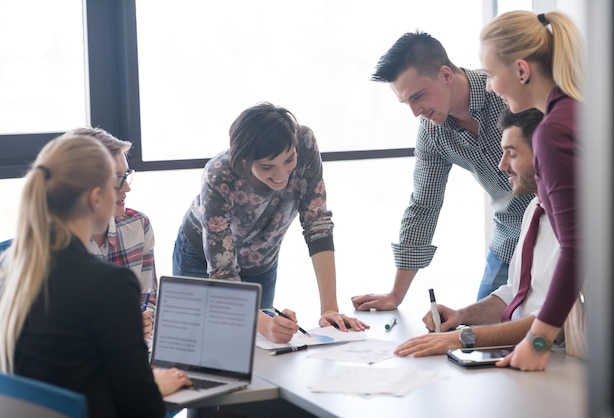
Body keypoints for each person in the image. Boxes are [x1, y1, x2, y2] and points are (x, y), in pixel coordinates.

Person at [0, 134, 192, 417]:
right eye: (116, 181)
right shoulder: (111, 286)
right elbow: (143, 410)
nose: (126, 187)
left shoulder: (11, 269)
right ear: (95, 197)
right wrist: (154, 387)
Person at [351, 30, 534, 311]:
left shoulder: (504, 91)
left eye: (418, 96)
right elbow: (423, 206)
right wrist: (395, 295)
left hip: (559, 226)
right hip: (509, 238)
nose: (415, 111)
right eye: (406, 103)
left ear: (446, 75)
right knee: (478, 335)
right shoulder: (432, 133)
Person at [173, 102, 369, 344]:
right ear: (244, 160)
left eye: (289, 160)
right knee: (200, 343)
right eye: (267, 166)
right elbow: (222, 271)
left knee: (254, 348)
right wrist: (265, 325)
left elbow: (316, 222)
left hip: (261, 258)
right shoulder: (219, 173)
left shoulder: (304, 142)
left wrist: (329, 309)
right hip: (202, 257)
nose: (281, 175)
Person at [395, 108, 560, 357]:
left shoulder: (575, 226)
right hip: (517, 353)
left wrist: (466, 337)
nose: (501, 165)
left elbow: (555, 322)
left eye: (512, 154)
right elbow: (514, 293)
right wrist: (462, 316)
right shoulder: (533, 209)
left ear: (543, 157)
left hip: (550, 356)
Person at [479, 10, 582, 371]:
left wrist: (537, 343)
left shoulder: (553, 132)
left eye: (491, 74)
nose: (489, 86)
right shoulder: (579, 113)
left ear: (522, 70)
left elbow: (578, 247)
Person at [64, 127, 157, 340]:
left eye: (125, 176)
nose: (126, 188)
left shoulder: (138, 225)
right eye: (115, 179)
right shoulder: (56, 242)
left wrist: (145, 318)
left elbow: (148, 297)